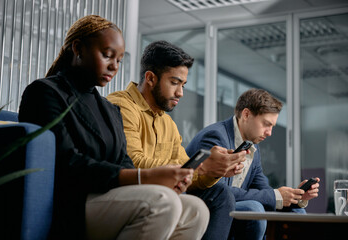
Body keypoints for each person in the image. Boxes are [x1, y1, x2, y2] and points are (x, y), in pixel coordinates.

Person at [18, 15, 210, 240]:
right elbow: (68, 162)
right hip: (72, 200)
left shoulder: (108, 109)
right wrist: (147, 177)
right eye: (107, 56)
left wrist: (160, 179)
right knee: (162, 202)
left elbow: (124, 162)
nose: (114, 66)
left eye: (119, 60)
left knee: (195, 210)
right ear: (78, 48)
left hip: (108, 195)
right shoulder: (46, 92)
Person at [107, 40, 247, 240]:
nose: (180, 93)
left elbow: (189, 173)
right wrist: (203, 166)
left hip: (163, 192)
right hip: (128, 191)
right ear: (150, 78)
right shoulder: (121, 106)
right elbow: (131, 163)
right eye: (174, 83)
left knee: (221, 193)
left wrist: (215, 170)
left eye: (183, 85)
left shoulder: (168, 124)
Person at [186, 88, 320, 240]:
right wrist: (275, 195)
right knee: (254, 208)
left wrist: (296, 197)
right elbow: (219, 190)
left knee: (297, 213)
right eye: (266, 124)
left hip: (233, 204)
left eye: (272, 126)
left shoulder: (252, 145)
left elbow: (263, 190)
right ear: (246, 114)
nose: (269, 132)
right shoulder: (216, 136)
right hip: (209, 204)